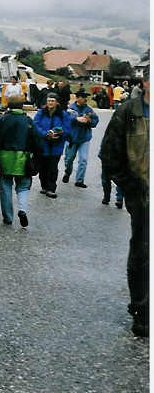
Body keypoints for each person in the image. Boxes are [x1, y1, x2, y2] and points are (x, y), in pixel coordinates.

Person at [100, 69, 149, 337]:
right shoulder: (129, 111)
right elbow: (110, 153)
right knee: (143, 252)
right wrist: (129, 188)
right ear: (145, 82)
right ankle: (142, 311)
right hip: (144, 195)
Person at [0, 95, 41, 227]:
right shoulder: (28, 121)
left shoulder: (2, 120)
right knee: (23, 185)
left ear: (8, 105)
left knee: (5, 186)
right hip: (23, 158)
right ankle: (22, 209)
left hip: (4, 157)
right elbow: (37, 141)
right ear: (22, 105)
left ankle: (8, 217)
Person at [33, 93, 70, 198]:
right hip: (43, 144)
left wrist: (59, 133)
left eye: (52, 101)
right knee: (43, 167)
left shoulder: (63, 114)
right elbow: (36, 125)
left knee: (53, 167)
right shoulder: (41, 112)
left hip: (56, 145)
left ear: (57, 102)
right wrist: (45, 134)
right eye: (49, 101)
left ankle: (51, 188)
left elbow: (67, 129)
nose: (50, 103)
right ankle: (44, 186)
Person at [62, 89, 99, 188]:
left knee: (83, 160)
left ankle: (79, 180)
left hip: (84, 138)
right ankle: (67, 172)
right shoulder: (70, 108)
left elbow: (95, 121)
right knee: (69, 159)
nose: (85, 99)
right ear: (77, 98)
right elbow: (64, 119)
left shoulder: (89, 109)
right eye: (83, 97)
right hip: (71, 138)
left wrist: (89, 120)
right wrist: (76, 119)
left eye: (85, 97)